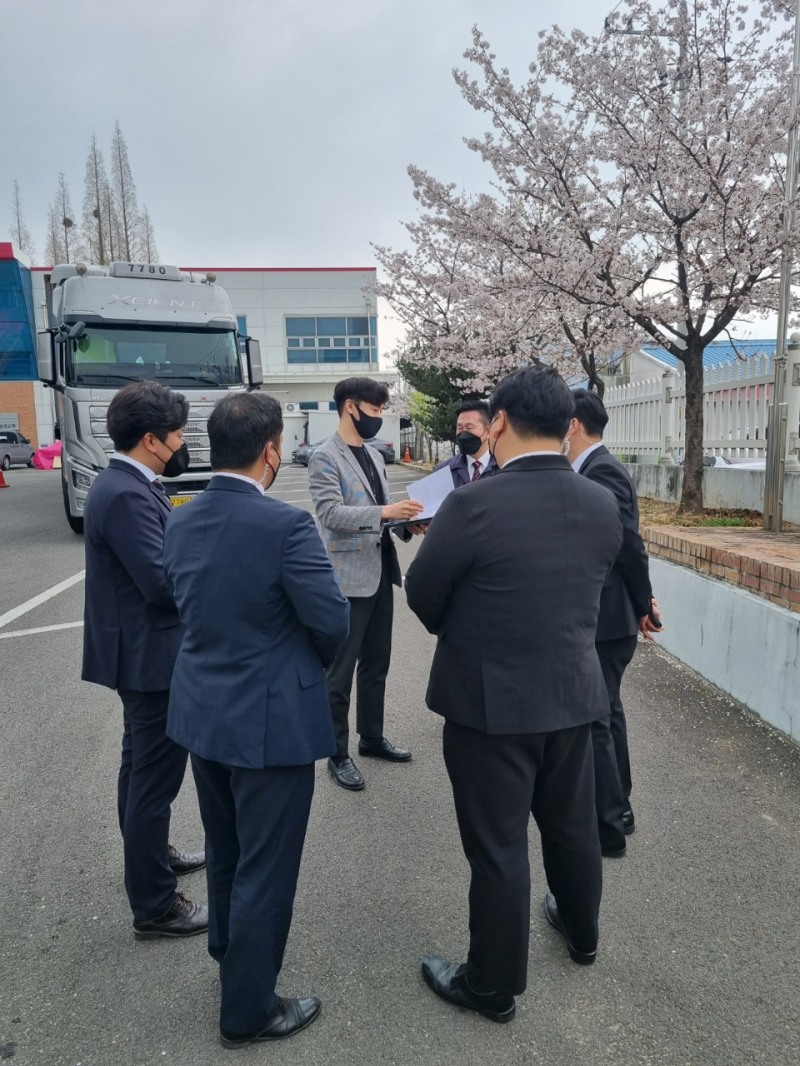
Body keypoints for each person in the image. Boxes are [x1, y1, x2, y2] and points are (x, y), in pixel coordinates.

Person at [405, 366, 622, 1022]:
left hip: (488, 706)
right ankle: (582, 934)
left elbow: (423, 594)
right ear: (566, 424)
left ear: (497, 422)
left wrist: (468, 622)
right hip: (574, 697)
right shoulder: (599, 502)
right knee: (572, 827)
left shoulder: (473, 503)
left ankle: (493, 985)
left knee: (499, 847)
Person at [164, 392, 350, 1048]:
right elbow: (331, 621)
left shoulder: (179, 520)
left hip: (201, 714)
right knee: (267, 864)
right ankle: (248, 1009)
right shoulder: (285, 527)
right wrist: (299, 669)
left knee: (227, 848)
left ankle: (227, 951)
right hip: (270, 723)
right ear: (272, 451)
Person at [81, 381, 207, 941]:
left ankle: (150, 857)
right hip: (152, 656)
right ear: (153, 440)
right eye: (178, 434)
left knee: (139, 771)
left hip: (140, 650)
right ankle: (155, 905)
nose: (183, 443)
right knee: (155, 781)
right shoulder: (127, 492)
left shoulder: (126, 483)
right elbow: (160, 583)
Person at [308, 377, 424, 791]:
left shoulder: (374, 457)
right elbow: (330, 514)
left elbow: (383, 514)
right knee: (339, 673)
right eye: (374, 411)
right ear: (351, 407)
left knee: (377, 664)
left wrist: (408, 524)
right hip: (346, 579)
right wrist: (386, 511)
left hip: (380, 572)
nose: (378, 419)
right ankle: (336, 753)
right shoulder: (325, 456)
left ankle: (371, 738)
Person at [566, 389, 661, 856]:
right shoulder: (593, 468)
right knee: (609, 714)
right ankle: (619, 805)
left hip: (607, 618)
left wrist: (644, 603)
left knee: (598, 720)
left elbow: (627, 543)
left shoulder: (601, 470)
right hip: (612, 616)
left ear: (574, 425)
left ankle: (609, 828)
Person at [434, 400, 499, 486]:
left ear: (488, 432)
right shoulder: (443, 471)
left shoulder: (503, 469)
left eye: (469, 427)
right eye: (459, 428)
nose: (463, 434)